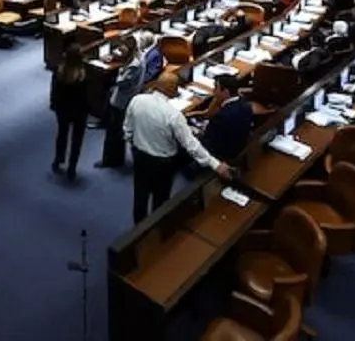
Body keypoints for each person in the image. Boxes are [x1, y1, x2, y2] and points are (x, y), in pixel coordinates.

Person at [123, 73, 232, 223]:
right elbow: (191, 145)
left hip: (140, 157)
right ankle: (156, 228)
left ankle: (138, 229)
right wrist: (215, 164)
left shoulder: (137, 100)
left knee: (140, 195)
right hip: (162, 163)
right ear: (171, 89)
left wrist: (135, 145)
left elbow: (127, 129)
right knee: (160, 200)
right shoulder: (174, 115)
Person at [97, 38, 144, 169]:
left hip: (121, 101)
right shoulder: (139, 57)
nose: (120, 50)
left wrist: (120, 70)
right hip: (128, 99)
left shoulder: (134, 65)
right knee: (118, 131)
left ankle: (109, 160)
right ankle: (117, 159)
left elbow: (121, 82)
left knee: (113, 132)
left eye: (123, 47)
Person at [50, 44, 89, 180]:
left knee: (62, 134)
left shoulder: (58, 71)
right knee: (77, 140)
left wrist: (54, 105)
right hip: (79, 111)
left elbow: (54, 91)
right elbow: (86, 96)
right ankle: (72, 168)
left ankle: (58, 160)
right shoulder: (83, 75)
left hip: (62, 109)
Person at [199, 75, 253, 162]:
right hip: (238, 145)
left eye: (216, 88)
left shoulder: (222, 117)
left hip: (222, 154)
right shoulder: (246, 105)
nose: (213, 91)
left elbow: (208, 138)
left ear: (226, 92)